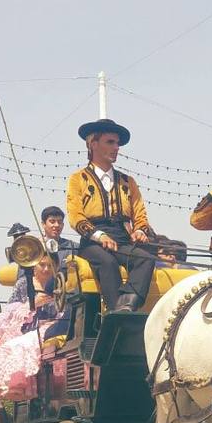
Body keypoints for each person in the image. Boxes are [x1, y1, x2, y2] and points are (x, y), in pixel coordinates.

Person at [66, 118, 157, 313]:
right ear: (93, 144)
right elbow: (76, 217)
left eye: (117, 143)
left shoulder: (127, 181)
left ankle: (125, 307)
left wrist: (140, 230)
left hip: (122, 239)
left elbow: (139, 213)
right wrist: (100, 236)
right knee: (107, 263)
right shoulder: (77, 179)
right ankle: (114, 313)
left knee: (146, 259)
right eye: (110, 142)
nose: (116, 147)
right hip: (92, 241)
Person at [0, 256, 67, 400]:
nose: (46, 269)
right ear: (34, 267)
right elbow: (10, 313)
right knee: (18, 345)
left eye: (50, 266)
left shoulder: (61, 284)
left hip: (53, 326)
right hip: (25, 328)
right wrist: (32, 304)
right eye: (42, 265)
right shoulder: (24, 284)